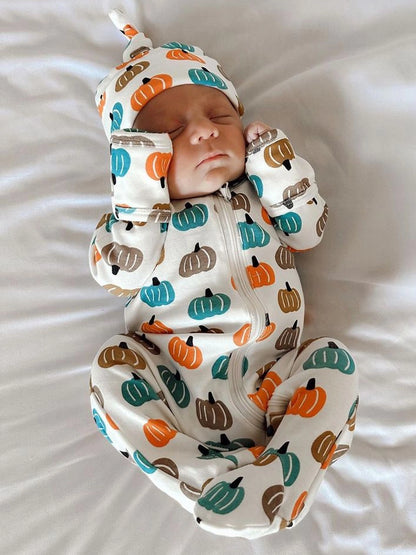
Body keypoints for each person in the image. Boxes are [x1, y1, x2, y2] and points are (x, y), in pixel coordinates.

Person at [89, 9, 359, 539]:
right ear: (136, 157)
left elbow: (308, 232)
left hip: (276, 383)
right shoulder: (134, 223)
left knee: (336, 363)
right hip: (174, 389)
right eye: (170, 130)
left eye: (221, 114)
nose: (206, 131)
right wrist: (139, 202)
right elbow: (119, 275)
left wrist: (276, 168)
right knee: (108, 370)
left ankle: (290, 469)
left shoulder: (258, 197)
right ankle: (209, 484)